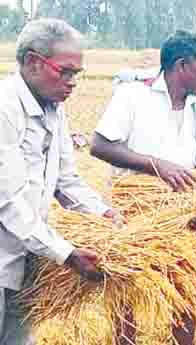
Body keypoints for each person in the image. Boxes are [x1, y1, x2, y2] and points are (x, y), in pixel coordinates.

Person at [90, 30, 196, 345]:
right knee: (127, 291)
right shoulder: (133, 95)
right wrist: (158, 165)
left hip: (183, 216)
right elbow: (99, 145)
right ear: (181, 66)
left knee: (184, 291)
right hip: (136, 212)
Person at [0, 18, 118, 345]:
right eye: (63, 71)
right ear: (32, 62)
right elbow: (8, 202)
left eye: (75, 75)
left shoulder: (54, 108)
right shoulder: (4, 110)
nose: (71, 82)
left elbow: (66, 181)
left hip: (26, 259)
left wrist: (103, 214)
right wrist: (66, 254)